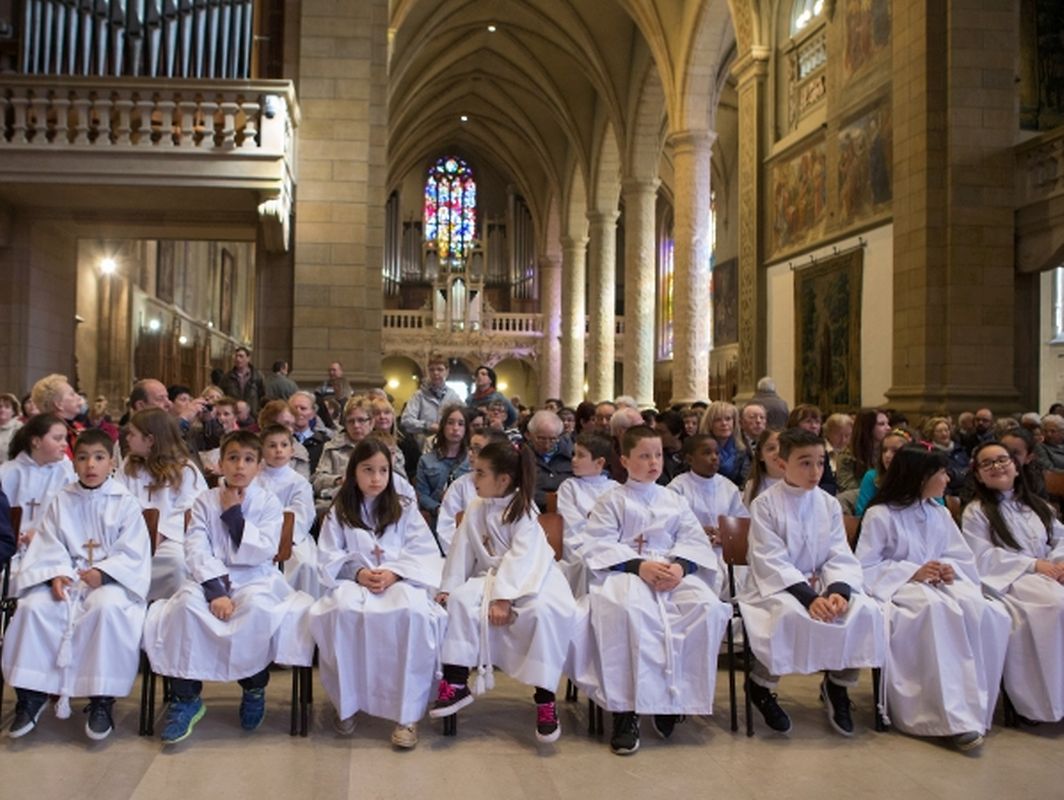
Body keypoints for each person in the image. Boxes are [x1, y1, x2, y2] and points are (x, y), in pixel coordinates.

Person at [143, 430, 315, 744]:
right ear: (220, 463)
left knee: (257, 611)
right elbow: (196, 547)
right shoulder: (203, 501)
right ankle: (186, 698)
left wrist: (234, 514)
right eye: (233, 458)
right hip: (208, 579)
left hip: (256, 577)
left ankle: (254, 686)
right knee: (184, 608)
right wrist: (216, 590)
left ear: (258, 466)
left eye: (248, 460)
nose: (239, 466)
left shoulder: (268, 502)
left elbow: (263, 549)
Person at [571, 426, 731, 755]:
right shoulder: (611, 500)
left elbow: (693, 541)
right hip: (627, 572)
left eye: (657, 455)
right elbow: (598, 544)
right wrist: (639, 566)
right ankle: (625, 710)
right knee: (627, 611)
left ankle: (671, 701)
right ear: (625, 461)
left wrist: (681, 567)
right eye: (644, 456)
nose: (654, 462)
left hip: (671, 572)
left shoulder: (674, 500)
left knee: (708, 608)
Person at [858, 445, 1010, 750]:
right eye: (941, 473)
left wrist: (949, 569)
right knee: (935, 611)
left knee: (985, 610)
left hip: (941, 584)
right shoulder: (880, 514)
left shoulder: (939, 513)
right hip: (902, 590)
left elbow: (960, 555)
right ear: (920, 477)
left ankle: (975, 708)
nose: (947, 478)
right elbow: (865, 566)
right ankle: (944, 716)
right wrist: (912, 571)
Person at [2, 428, 151, 740]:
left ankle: (101, 699)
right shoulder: (62, 499)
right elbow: (48, 542)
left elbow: (134, 551)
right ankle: (31, 695)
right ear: (74, 463)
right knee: (34, 607)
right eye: (82, 458)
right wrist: (56, 573)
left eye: (98, 457)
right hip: (68, 578)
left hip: (110, 582)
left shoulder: (125, 502)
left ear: (111, 462)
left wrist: (104, 573)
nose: (90, 465)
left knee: (107, 609)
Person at [429, 440, 577, 743]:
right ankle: (457, 683)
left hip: (535, 579)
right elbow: (461, 549)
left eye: (481, 473)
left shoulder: (523, 511)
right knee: (460, 601)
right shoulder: (476, 507)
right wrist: (449, 587)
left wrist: (503, 598)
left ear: (503, 479)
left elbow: (522, 560)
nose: (474, 478)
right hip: (492, 578)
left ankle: (545, 700)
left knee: (542, 614)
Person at [739, 427, 884, 736]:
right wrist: (810, 597)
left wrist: (838, 590)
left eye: (820, 462)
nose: (815, 471)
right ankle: (760, 685)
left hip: (824, 583)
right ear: (782, 464)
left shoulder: (828, 504)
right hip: (778, 586)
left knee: (862, 609)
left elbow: (838, 552)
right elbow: (770, 560)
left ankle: (837, 684)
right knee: (787, 615)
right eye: (805, 463)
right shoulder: (765, 504)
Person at [309, 437, 445, 748]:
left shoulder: (405, 507)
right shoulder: (340, 510)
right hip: (354, 582)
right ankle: (347, 705)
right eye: (368, 470)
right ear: (354, 472)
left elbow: (423, 551)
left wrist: (395, 572)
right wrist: (358, 572)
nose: (376, 478)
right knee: (342, 612)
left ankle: (407, 715)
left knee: (413, 614)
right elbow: (328, 555)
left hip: (400, 581)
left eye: (383, 470)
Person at [961, 441, 1064, 723]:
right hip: (1012, 580)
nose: (997, 466)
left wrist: (1059, 562)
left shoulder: (1039, 507)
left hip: (1050, 574)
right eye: (987, 463)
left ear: (1016, 468)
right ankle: (1042, 702)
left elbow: (1059, 539)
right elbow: (981, 556)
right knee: (1054, 606)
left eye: (1002, 460)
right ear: (978, 475)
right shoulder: (977, 511)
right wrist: (1032, 565)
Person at [116, 408, 207, 600]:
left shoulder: (185, 470)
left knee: (177, 562)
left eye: (132, 434)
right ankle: (130, 607)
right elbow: (118, 501)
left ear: (150, 440)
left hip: (170, 540)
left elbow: (192, 510)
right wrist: (140, 532)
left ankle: (172, 609)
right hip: (131, 537)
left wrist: (161, 532)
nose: (127, 439)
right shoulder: (129, 465)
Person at [668, 434, 749, 598]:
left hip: (725, 550)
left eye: (717, 453)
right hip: (693, 553)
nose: (714, 457)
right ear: (690, 459)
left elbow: (741, 522)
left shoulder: (728, 487)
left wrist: (726, 534)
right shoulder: (677, 488)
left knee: (742, 586)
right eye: (706, 453)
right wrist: (698, 532)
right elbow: (670, 524)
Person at [256, 424, 320, 598]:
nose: (278, 450)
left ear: (292, 450)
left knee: (304, 564)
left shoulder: (299, 482)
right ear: (261, 451)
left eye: (284, 445)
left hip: (293, 537)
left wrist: (284, 537)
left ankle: (303, 605)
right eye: (272, 445)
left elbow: (303, 514)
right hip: (260, 535)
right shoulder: (254, 479)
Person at [1, 415, 77, 555]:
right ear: (36, 442)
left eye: (65, 438)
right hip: (12, 547)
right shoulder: (7, 472)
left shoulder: (69, 473)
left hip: (53, 547)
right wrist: (11, 537)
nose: (65, 444)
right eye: (57, 439)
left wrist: (42, 534)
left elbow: (72, 514)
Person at [555, 432, 617, 598]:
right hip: (580, 546)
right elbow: (572, 525)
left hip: (611, 545)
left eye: (581, 455)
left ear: (599, 462)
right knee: (588, 563)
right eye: (574, 454)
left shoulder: (615, 489)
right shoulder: (569, 487)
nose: (574, 460)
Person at [435, 428, 508, 555]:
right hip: (467, 556)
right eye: (470, 448)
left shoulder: (513, 487)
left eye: (477, 449)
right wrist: (471, 554)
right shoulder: (459, 486)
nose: (470, 453)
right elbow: (446, 527)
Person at [312, 395, 375, 509]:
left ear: (371, 422)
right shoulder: (332, 448)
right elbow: (317, 481)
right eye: (351, 421)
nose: (356, 425)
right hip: (338, 503)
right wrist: (338, 480)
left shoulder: (384, 447)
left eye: (361, 420)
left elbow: (399, 480)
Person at [414, 404, 470, 529]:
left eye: (461, 424)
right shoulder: (426, 460)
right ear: (443, 426)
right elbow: (421, 494)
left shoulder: (472, 460)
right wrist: (439, 509)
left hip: (466, 518)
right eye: (450, 423)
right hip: (437, 518)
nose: (455, 428)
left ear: (466, 429)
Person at [400, 355, 464, 451]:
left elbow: (464, 417)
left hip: (447, 446)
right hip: (422, 447)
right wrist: (428, 426)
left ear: (447, 372)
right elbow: (406, 421)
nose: (435, 373)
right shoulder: (419, 395)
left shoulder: (453, 396)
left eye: (440, 369)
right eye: (432, 370)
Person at [854, 429, 911, 517]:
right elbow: (862, 512)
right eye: (884, 450)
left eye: (895, 451)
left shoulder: (919, 479)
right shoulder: (872, 477)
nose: (887, 455)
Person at [526, 410, 573, 511]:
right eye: (541, 439)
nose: (547, 445)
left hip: (566, 511)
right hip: (532, 510)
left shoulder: (571, 457)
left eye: (552, 439)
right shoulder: (521, 457)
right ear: (529, 435)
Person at [30, 374, 86, 459]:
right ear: (59, 404)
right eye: (72, 394)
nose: (79, 397)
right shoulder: (47, 433)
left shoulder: (77, 427)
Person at [837, 408, 891, 492]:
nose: (888, 428)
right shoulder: (847, 455)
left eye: (888, 423)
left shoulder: (889, 451)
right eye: (881, 424)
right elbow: (847, 486)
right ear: (867, 427)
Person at [698, 401, 750, 488]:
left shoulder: (741, 448)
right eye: (718, 420)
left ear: (734, 422)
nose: (724, 423)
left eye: (728, 419)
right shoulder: (699, 448)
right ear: (709, 423)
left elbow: (745, 480)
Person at [257, 399, 313, 480]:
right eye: (286, 424)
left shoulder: (299, 451)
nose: (290, 429)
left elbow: (303, 480)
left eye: (292, 425)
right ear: (269, 425)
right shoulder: (250, 446)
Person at [289, 390, 332, 474]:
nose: (298, 412)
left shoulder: (325, 443)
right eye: (294, 408)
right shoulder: (281, 441)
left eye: (303, 408)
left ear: (313, 414)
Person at [218, 347, 266, 418]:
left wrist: (258, 412)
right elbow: (221, 396)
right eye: (236, 356)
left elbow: (262, 396)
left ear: (248, 358)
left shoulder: (257, 377)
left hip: (252, 416)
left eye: (241, 356)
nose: (238, 359)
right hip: (233, 415)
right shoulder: (227, 378)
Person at [742, 428, 785, 506]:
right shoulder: (753, 486)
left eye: (784, 447)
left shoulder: (801, 483)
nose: (778, 452)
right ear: (761, 456)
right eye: (771, 448)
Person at [0, 393, 23, 464]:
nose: (2, 409)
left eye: (7, 407)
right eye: (0, 406)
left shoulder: (19, 428)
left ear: (13, 411)